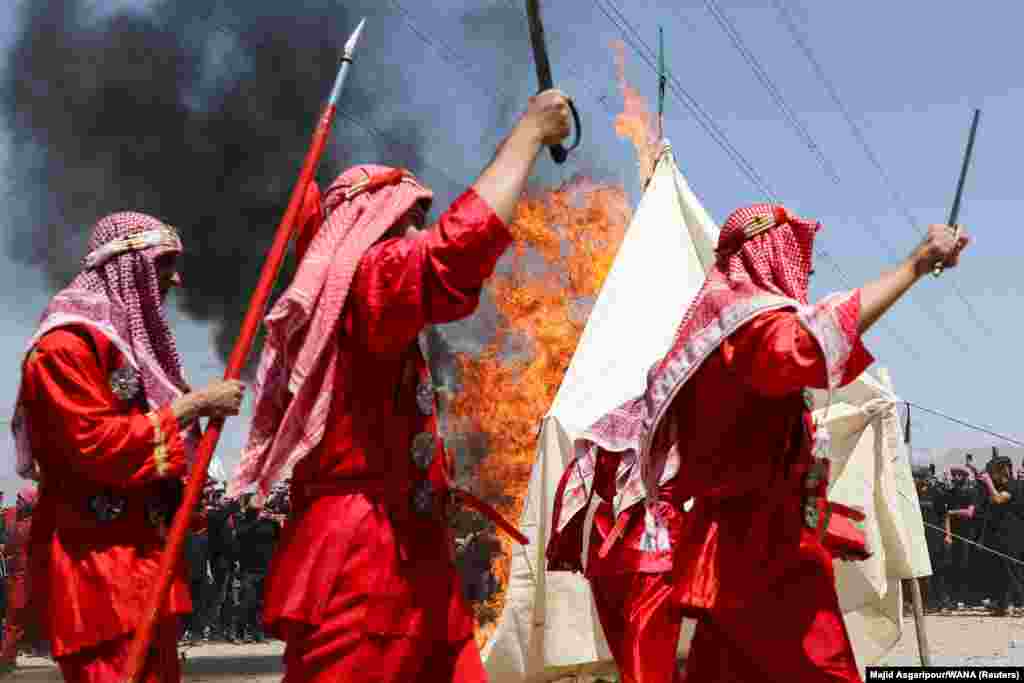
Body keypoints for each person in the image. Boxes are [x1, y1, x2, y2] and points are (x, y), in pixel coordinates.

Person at [229, 88, 573, 682]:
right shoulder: (368, 279)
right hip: (364, 562)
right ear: (367, 227)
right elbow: (453, 253)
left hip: (407, 554)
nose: (417, 232)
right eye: (409, 220)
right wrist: (528, 134)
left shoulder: (362, 301)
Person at [547, 206, 969, 683]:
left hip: (733, 549)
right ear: (770, 254)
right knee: (820, 670)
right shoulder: (745, 332)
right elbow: (809, 343)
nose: (804, 277)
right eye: (799, 263)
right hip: (762, 557)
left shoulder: (711, 334)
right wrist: (914, 264)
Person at [12, 212, 246, 681]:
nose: (175, 279)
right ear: (126, 264)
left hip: (144, 566)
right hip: (97, 571)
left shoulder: (122, 346)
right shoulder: (65, 346)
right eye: (164, 264)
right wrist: (192, 405)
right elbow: (93, 446)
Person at [976, 453, 1024, 616]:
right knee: (1000, 571)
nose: (991, 475)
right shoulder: (998, 487)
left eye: (993, 471)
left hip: (1013, 535)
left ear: (1004, 470)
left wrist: (988, 482)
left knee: (1013, 570)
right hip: (999, 536)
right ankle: (1002, 604)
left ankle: (1019, 604)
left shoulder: (1014, 485)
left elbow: (998, 499)